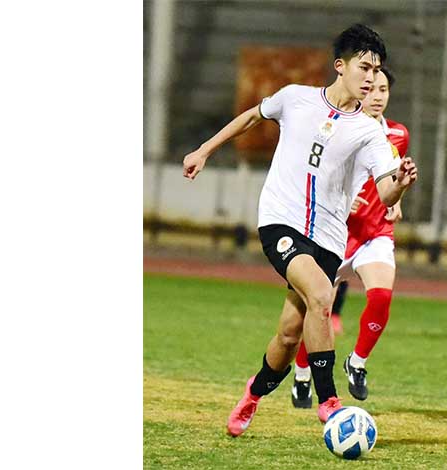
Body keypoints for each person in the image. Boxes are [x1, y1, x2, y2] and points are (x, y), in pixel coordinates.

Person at [181, 24, 418, 437]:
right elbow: (252, 116)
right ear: (340, 66)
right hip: (281, 222)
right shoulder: (295, 98)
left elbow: (385, 192)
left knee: (289, 336)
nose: (371, 78)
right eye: (364, 68)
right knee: (323, 295)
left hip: (328, 239)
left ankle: (254, 392)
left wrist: (400, 183)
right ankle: (329, 401)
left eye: (376, 70)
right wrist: (204, 150)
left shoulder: (370, 133)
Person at [291, 67, 408, 408]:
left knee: (382, 296)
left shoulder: (398, 134)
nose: (377, 96)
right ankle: (302, 373)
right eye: (371, 90)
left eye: (384, 90)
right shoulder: (340, 130)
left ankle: (357, 363)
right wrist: (343, 199)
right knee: (318, 309)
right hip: (336, 234)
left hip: (375, 233)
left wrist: (397, 201)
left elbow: (393, 176)